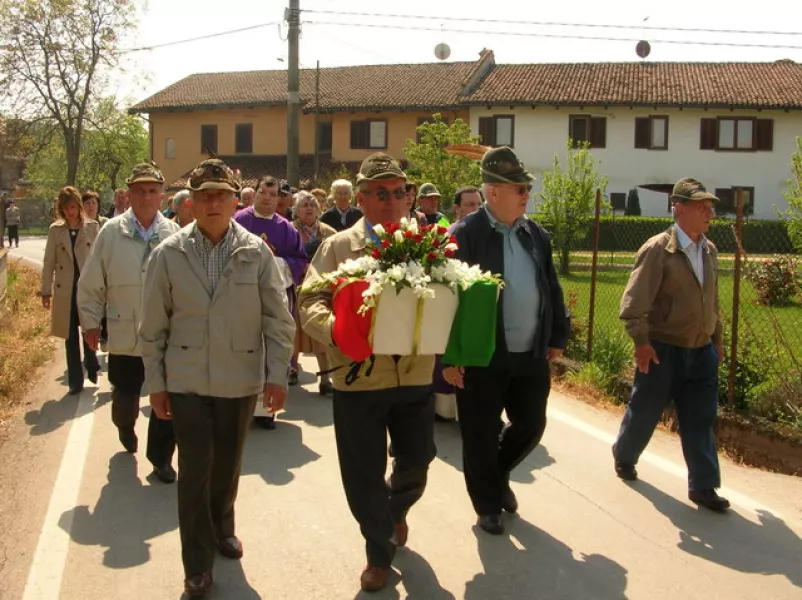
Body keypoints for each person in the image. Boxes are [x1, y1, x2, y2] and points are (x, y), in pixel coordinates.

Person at [139, 158, 295, 598]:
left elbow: (278, 320)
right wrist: (156, 384)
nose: (211, 203)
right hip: (186, 380)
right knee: (194, 470)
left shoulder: (256, 251)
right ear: (190, 202)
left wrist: (276, 375)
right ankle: (197, 563)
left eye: (219, 195)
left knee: (227, 466)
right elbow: (152, 328)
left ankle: (223, 525)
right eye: (203, 195)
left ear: (233, 200)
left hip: (239, 379)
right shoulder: (168, 254)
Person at [299, 152, 436, 593]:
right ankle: (378, 552)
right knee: (362, 471)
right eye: (381, 192)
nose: (393, 200)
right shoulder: (338, 247)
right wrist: (337, 332)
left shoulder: (430, 244)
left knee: (418, 461)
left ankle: (394, 510)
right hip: (359, 376)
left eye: (401, 192)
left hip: (415, 373)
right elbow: (309, 303)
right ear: (360, 198)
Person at [443, 146, 569, 535]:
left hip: (529, 352)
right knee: (479, 432)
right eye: (518, 188)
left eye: (527, 186)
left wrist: (557, 335)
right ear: (493, 191)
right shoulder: (464, 235)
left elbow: (551, 286)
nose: (526, 194)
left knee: (531, 423)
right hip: (483, 354)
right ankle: (487, 505)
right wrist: (450, 356)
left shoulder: (536, 235)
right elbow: (446, 298)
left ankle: (497, 473)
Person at [613, 177, 728, 512]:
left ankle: (704, 487)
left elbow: (713, 302)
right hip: (663, 350)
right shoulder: (657, 250)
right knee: (645, 411)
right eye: (701, 206)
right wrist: (641, 342)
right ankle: (625, 454)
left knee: (701, 419)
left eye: (710, 206)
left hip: (701, 349)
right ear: (678, 208)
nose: (709, 212)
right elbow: (634, 304)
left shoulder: (709, 250)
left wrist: (716, 340)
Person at [78, 163, 180, 484]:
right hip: (124, 331)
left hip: (164, 335)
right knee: (125, 398)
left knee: (168, 397)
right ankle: (125, 426)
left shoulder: (174, 235)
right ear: (129, 194)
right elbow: (92, 281)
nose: (147, 196)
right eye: (140, 190)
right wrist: (91, 323)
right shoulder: (111, 232)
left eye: (152, 190)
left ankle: (161, 459)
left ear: (162, 196)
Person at [234, 176, 307, 428]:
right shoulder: (238, 222)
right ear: (255, 194)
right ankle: (242, 407)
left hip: (274, 296)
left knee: (272, 349)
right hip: (242, 298)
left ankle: (267, 410)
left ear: (279, 199)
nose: (267, 198)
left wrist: (277, 264)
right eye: (263, 193)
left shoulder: (286, 228)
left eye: (273, 194)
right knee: (244, 350)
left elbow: (300, 260)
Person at [41, 187, 101, 395]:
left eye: (73, 207)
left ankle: (92, 362)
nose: (70, 212)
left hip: (87, 288)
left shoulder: (93, 227)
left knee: (89, 329)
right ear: (61, 209)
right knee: (70, 337)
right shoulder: (55, 230)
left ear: (79, 206)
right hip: (65, 289)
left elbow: (102, 260)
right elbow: (49, 262)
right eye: (66, 208)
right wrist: (45, 291)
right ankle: (75, 381)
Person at [291, 191, 337, 395]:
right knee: (293, 330)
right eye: (304, 204)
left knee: (320, 331)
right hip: (295, 285)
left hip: (321, 289)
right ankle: (291, 369)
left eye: (313, 204)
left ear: (319, 210)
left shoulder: (329, 233)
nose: (309, 207)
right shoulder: (289, 230)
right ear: (296, 210)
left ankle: (325, 378)